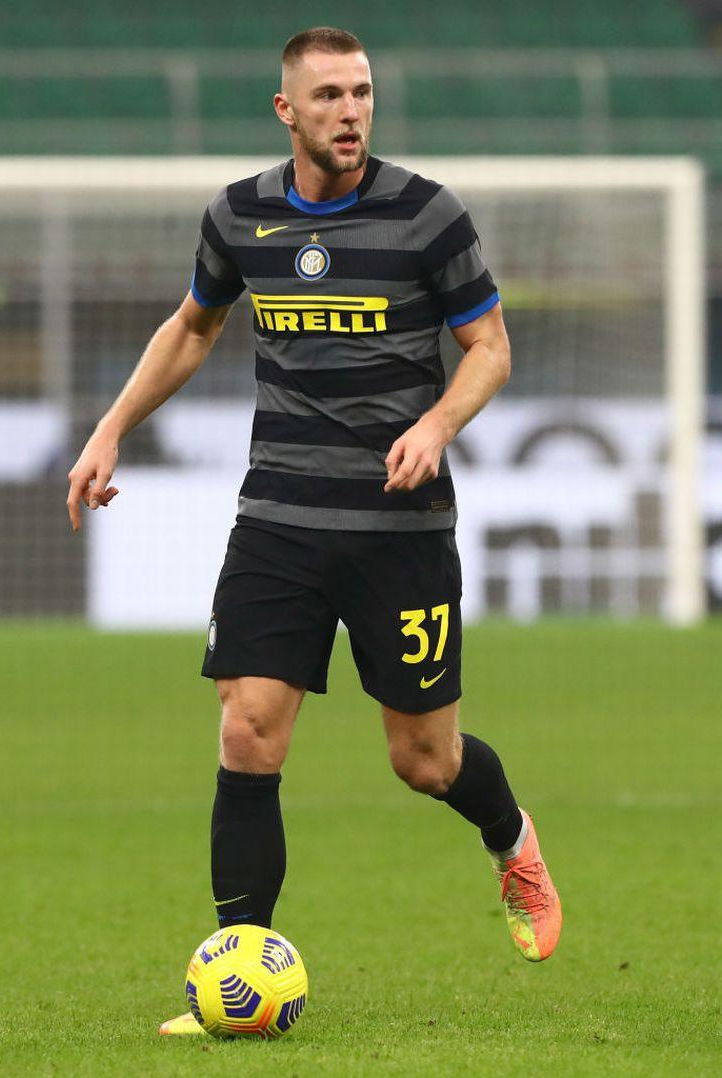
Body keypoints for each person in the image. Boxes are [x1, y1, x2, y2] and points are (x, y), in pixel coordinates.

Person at [66, 26, 561, 1036]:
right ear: (285, 110)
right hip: (278, 519)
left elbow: (489, 347)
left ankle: (512, 840)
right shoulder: (237, 214)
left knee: (423, 759)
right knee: (247, 729)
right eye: (329, 95)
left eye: (362, 92)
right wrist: (112, 428)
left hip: (399, 528)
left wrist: (436, 423)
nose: (350, 111)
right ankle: (237, 974)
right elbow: (193, 325)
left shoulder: (427, 215)